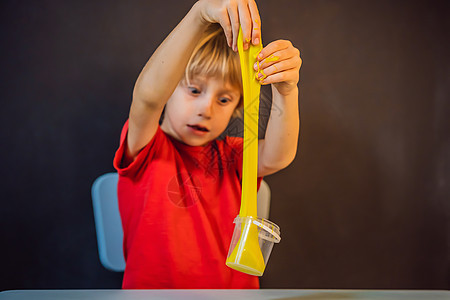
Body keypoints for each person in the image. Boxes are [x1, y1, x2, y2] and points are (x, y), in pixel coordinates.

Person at [113, 0, 302, 289]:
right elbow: (148, 98)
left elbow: (279, 156)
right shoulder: (148, 150)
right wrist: (200, 14)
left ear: (237, 106)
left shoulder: (236, 155)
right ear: (169, 88)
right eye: (194, 90)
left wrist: (286, 90)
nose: (207, 109)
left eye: (224, 99)